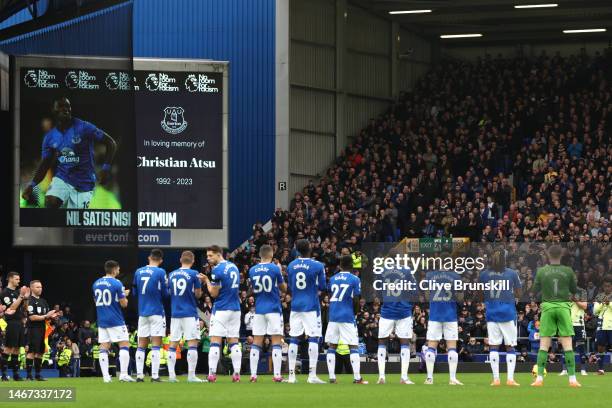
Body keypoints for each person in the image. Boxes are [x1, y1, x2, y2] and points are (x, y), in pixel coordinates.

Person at [21, 97, 117, 209]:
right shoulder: (50, 137)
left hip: (84, 183)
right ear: (54, 110)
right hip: (62, 179)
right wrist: (32, 185)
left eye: (67, 106)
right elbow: (45, 164)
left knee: (74, 219)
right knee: (50, 201)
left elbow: (111, 143)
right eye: (61, 106)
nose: (65, 109)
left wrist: (105, 169)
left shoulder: (84, 127)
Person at [531, 245, 580, 387]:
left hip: (547, 308)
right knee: (568, 345)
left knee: (544, 346)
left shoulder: (541, 271)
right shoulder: (568, 271)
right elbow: (574, 290)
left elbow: (534, 290)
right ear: (562, 254)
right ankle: (572, 380)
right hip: (564, 308)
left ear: (547, 254)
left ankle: (539, 379)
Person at [286, 239, 327, 384]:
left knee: (294, 338)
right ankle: (312, 375)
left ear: (297, 249)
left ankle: (291, 376)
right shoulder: (317, 265)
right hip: (311, 306)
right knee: (314, 338)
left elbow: (290, 286)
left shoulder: (291, 265)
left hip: (296, 305)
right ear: (310, 248)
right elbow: (323, 286)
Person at [479, 250, 522, 386]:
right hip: (508, 313)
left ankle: (496, 379)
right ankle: (510, 379)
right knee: (510, 346)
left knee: (493, 346)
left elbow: (479, 294)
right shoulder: (512, 273)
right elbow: (519, 292)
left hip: (492, 313)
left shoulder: (484, 274)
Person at [201, 245, 242, 383]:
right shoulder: (233, 267)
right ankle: (236, 374)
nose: (208, 258)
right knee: (234, 342)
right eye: (207, 256)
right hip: (235, 309)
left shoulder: (217, 270)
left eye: (210, 255)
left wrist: (206, 281)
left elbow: (214, 293)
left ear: (219, 254)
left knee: (215, 341)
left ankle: (212, 374)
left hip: (221, 309)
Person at [325, 255, 367, 384]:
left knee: (332, 345)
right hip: (347, 316)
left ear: (340, 265)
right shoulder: (354, 279)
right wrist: (355, 313)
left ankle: (332, 377)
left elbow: (329, 293)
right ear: (351, 266)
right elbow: (356, 299)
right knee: (353, 345)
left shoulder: (333, 278)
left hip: (333, 315)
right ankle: (357, 378)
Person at [247, 245, 287, 382]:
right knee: (276, 342)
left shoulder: (252, 270)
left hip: (259, 310)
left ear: (260, 255)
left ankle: (253, 375)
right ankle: (276, 375)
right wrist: (280, 272)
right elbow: (284, 289)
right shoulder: (275, 268)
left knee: (256, 342)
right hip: (274, 309)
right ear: (271, 254)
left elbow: (253, 288)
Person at [376, 249, 416, 384]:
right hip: (403, 311)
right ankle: (403, 377)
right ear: (399, 258)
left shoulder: (381, 272)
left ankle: (381, 376)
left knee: (382, 342)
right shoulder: (406, 271)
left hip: (387, 311)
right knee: (404, 342)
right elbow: (414, 290)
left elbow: (377, 292)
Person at [423, 259, 464, 385]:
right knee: (452, 347)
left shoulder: (430, 275)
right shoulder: (456, 276)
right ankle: (452, 378)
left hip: (435, 315)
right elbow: (460, 297)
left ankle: (429, 378)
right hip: (450, 315)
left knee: (431, 347)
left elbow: (426, 295)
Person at [92, 260, 133, 383]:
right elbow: (124, 304)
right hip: (115, 319)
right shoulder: (117, 283)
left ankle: (106, 377)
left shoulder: (96, 283)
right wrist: (125, 295)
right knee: (124, 345)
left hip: (102, 319)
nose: (119, 271)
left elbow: (96, 302)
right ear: (114, 269)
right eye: (118, 269)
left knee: (104, 346)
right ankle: (124, 375)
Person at [167, 250, 204, 382]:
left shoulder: (171, 274)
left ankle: (172, 376)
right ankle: (191, 376)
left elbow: (169, 292)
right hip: (189, 312)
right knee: (192, 343)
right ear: (193, 261)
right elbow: (198, 294)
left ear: (180, 260)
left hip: (175, 313)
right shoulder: (194, 274)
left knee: (173, 343)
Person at [132, 248, 167, 382]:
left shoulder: (138, 271)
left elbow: (135, 293)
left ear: (149, 258)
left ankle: (140, 376)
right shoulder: (160, 272)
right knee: (156, 344)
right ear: (161, 260)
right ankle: (154, 376)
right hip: (157, 311)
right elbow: (165, 293)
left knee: (141, 345)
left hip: (143, 312)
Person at [0, 271, 30, 381]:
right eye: (17, 279)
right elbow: (12, 308)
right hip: (11, 322)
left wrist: (26, 298)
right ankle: (3, 374)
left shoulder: (18, 293)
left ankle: (16, 374)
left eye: (19, 279)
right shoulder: (4, 293)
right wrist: (21, 296)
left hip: (19, 323)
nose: (19, 281)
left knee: (17, 349)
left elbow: (24, 309)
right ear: (10, 279)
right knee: (8, 348)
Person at [25, 280, 57, 380]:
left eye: (41, 287)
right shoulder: (30, 300)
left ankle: (38, 375)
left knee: (40, 352)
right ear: (31, 288)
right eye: (37, 287)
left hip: (43, 329)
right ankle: (29, 375)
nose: (40, 289)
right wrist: (45, 316)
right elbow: (32, 317)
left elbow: (46, 317)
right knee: (31, 352)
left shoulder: (44, 301)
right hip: (33, 329)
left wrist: (52, 316)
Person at [560, 288, 588, 377]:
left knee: (581, 347)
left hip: (579, 324)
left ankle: (583, 369)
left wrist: (575, 300)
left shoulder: (582, 292)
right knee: (566, 347)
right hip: (567, 324)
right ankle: (564, 369)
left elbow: (584, 306)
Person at [594, 277, 612, 375]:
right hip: (601, 325)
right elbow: (595, 311)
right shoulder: (599, 296)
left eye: (609, 286)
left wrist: (609, 304)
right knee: (600, 347)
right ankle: (601, 370)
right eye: (605, 286)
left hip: (611, 325)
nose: (607, 288)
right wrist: (602, 304)